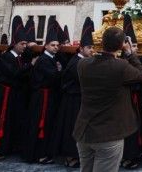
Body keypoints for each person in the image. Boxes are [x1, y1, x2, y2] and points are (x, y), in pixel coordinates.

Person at [73, 26, 142, 172]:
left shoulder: (82, 64)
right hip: (108, 134)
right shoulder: (120, 66)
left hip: (84, 131)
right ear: (121, 45)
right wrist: (130, 53)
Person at [53, 17, 95, 168]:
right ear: (82, 48)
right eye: (89, 47)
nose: (92, 50)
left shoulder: (83, 61)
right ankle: (70, 156)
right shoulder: (76, 63)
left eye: (93, 47)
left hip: (78, 100)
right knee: (72, 129)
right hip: (72, 102)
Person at [0, 16, 35, 160]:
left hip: (13, 95)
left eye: (25, 44)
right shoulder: (4, 58)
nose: (24, 46)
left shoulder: (19, 58)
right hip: (3, 96)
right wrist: (31, 65)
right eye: (22, 43)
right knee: (1, 121)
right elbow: (14, 73)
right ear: (14, 44)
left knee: (11, 122)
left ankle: (7, 147)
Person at [25, 17, 63, 164]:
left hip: (47, 97)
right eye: (53, 45)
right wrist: (59, 71)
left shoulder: (51, 59)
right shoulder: (44, 60)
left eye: (57, 45)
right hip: (42, 98)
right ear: (46, 46)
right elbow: (53, 76)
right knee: (39, 124)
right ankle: (37, 154)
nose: (56, 47)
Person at [121, 14, 142, 169]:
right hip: (127, 100)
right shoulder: (123, 61)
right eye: (132, 45)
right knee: (129, 128)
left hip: (137, 98)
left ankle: (138, 150)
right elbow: (140, 77)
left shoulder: (137, 60)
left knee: (139, 126)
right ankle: (127, 157)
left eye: (136, 46)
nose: (135, 48)